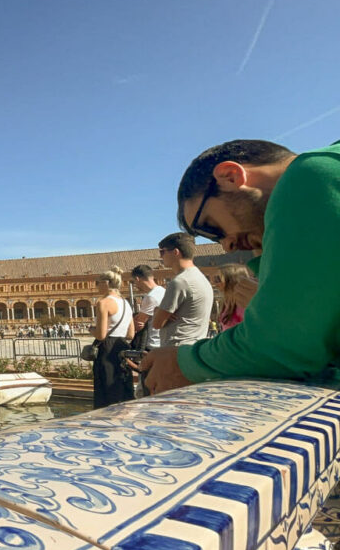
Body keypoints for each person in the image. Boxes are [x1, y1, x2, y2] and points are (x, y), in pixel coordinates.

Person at [143, 139, 340, 394]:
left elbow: (281, 345)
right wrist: (262, 250)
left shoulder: (309, 175)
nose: (226, 246)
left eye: (211, 228)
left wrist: (184, 363)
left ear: (230, 176)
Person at [151, 233, 214, 348]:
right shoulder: (202, 279)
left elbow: (157, 323)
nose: (161, 257)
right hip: (195, 346)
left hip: (176, 349)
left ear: (176, 252)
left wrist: (157, 311)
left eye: (162, 252)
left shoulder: (180, 282)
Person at [88, 267, 135, 409]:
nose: (96, 286)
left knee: (106, 391)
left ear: (106, 283)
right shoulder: (126, 303)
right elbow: (130, 334)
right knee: (123, 386)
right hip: (123, 346)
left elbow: (101, 335)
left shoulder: (103, 303)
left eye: (98, 282)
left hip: (107, 349)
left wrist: (91, 329)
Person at [130, 265, 166, 351]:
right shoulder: (164, 291)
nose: (135, 285)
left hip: (152, 344)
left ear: (137, 279)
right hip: (164, 341)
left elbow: (139, 324)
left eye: (134, 281)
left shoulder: (150, 297)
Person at [216, 263, 255, 330]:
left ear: (231, 280)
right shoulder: (226, 302)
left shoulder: (243, 304)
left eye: (218, 279)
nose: (215, 282)